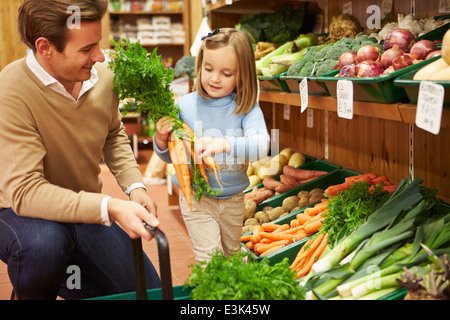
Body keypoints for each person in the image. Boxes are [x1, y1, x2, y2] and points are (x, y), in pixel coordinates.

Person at [0, 0, 161, 300]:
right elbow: (25, 193)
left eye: (98, 43)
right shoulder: (12, 89)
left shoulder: (104, 75)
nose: (100, 56)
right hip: (16, 209)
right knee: (45, 245)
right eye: (87, 49)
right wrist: (110, 207)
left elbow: (112, 132)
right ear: (45, 47)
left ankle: (68, 276)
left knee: (148, 293)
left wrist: (135, 186)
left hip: (81, 206)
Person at [153, 28, 270, 262]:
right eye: (208, 69)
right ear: (200, 65)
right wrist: (160, 139)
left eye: (226, 73)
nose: (215, 78)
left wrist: (225, 144)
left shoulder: (246, 108)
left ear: (242, 75)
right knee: (210, 261)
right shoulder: (184, 106)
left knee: (232, 258)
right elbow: (171, 158)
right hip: (196, 199)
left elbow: (261, 146)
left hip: (234, 200)